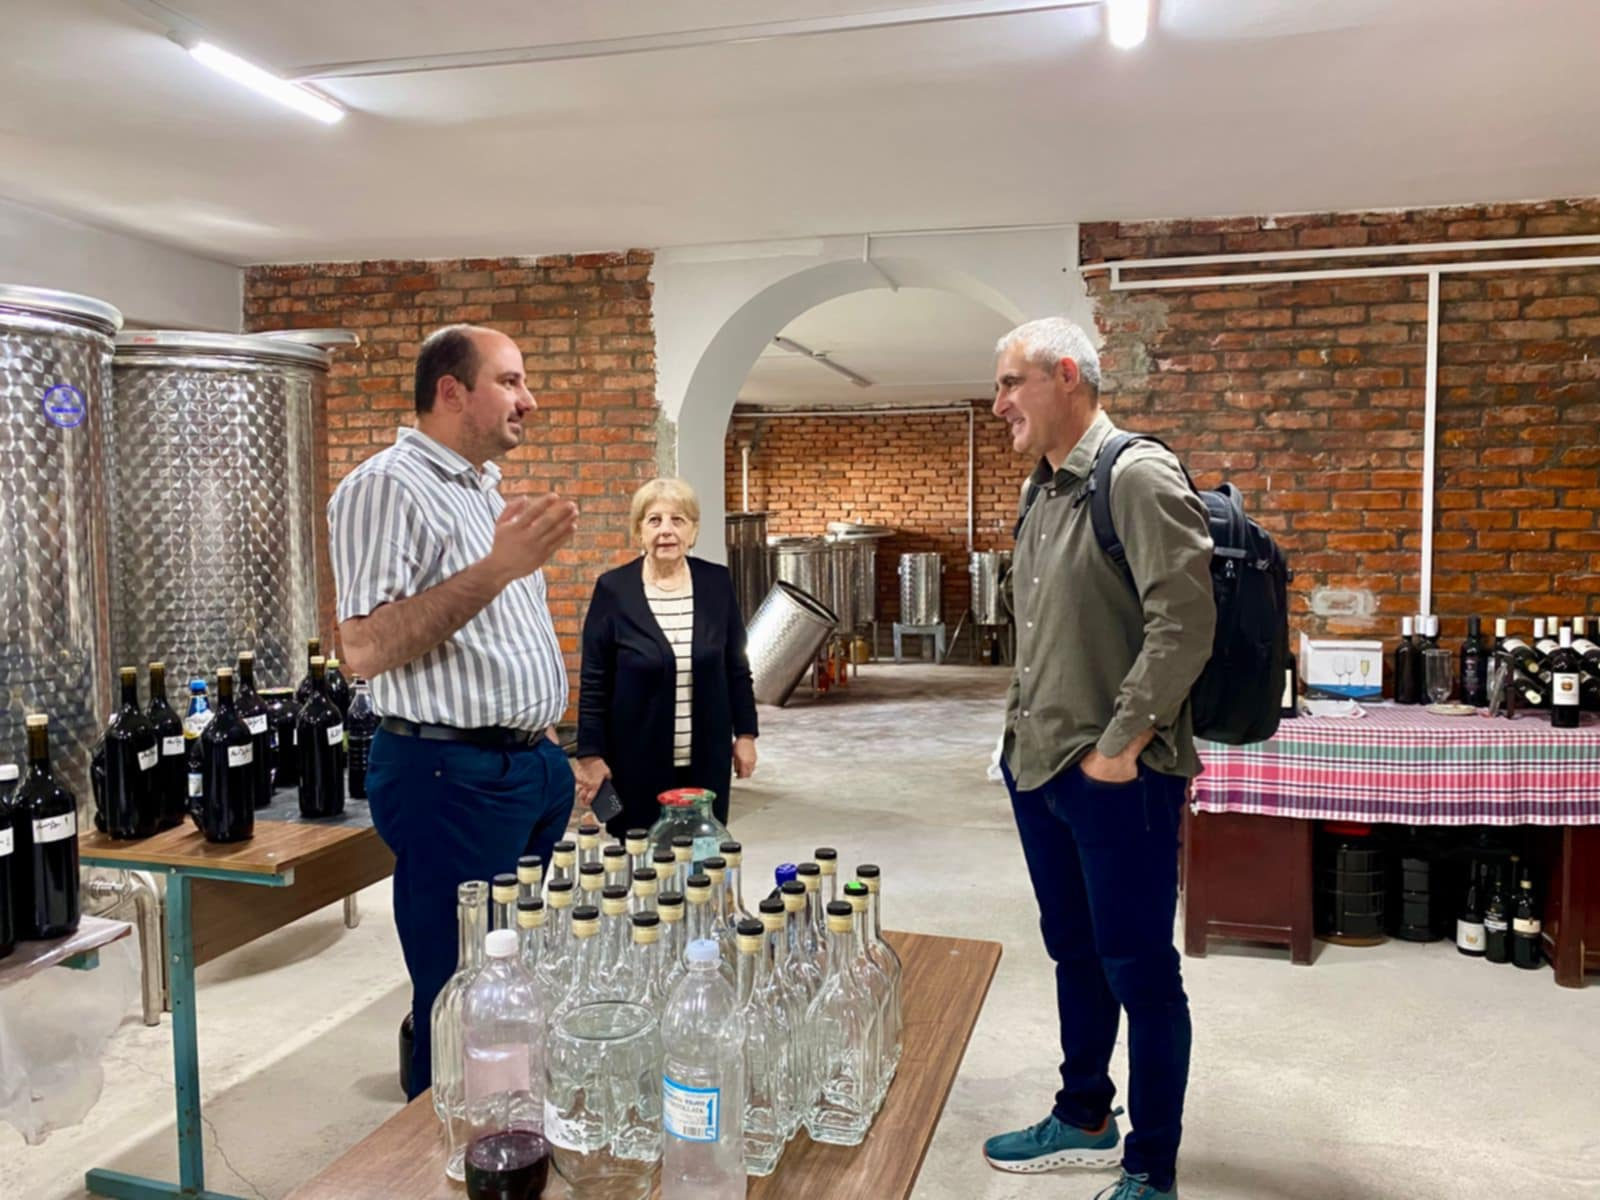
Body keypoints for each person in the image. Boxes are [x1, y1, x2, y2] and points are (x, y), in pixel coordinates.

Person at [982, 317, 1216, 1200]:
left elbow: (1183, 624)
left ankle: (1152, 1167)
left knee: (1141, 973)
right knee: (1074, 952)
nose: (999, 403)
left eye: (1012, 383)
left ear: (1067, 376)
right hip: (1040, 766)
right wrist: (1016, 742)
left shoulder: (1136, 475)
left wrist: (1120, 748)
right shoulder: (1042, 490)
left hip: (1119, 776)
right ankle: (1084, 1114)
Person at [328, 323, 579, 1099]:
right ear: (451, 391)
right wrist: (497, 569)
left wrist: (544, 742)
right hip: (450, 774)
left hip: (521, 767)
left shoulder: (479, 489)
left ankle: (508, 1120)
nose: (528, 400)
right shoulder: (388, 487)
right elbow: (365, 647)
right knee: (460, 987)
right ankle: (445, 1139)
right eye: (510, 381)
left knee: (513, 977)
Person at [574, 477, 758, 836]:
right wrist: (590, 755)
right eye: (654, 520)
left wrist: (746, 735)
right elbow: (595, 681)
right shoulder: (613, 590)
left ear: (693, 531)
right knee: (639, 851)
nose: (666, 531)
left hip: (706, 757)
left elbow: (737, 668)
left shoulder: (716, 583)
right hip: (634, 761)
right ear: (639, 530)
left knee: (702, 851)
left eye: (678, 520)